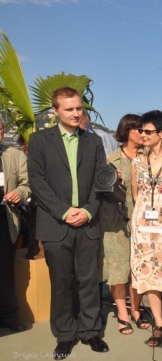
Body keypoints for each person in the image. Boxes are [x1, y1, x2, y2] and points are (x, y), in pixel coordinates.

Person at [28, 87, 109, 360]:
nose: (76, 113)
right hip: (55, 224)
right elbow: (37, 182)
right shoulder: (39, 140)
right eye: (69, 109)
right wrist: (64, 211)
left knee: (89, 281)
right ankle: (64, 335)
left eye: (79, 108)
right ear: (55, 111)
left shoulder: (93, 142)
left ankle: (90, 331)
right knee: (61, 283)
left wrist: (88, 210)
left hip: (88, 223)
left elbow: (102, 181)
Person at [130, 110, 162, 347]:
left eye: (147, 131)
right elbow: (136, 194)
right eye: (141, 131)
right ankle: (159, 322)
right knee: (148, 272)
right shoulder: (137, 161)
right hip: (143, 222)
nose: (142, 135)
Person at [99, 114, 143, 335]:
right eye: (138, 129)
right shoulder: (110, 159)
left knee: (138, 268)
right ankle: (122, 313)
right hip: (114, 221)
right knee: (118, 268)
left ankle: (136, 309)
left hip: (143, 220)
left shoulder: (149, 157)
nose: (143, 134)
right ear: (127, 131)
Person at [0, 118, 30, 333]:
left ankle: (9, 314)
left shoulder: (15, 155)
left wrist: (18, 193)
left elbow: (26, 184)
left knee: (4, 270)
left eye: (0, 128)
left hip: (4, 217)